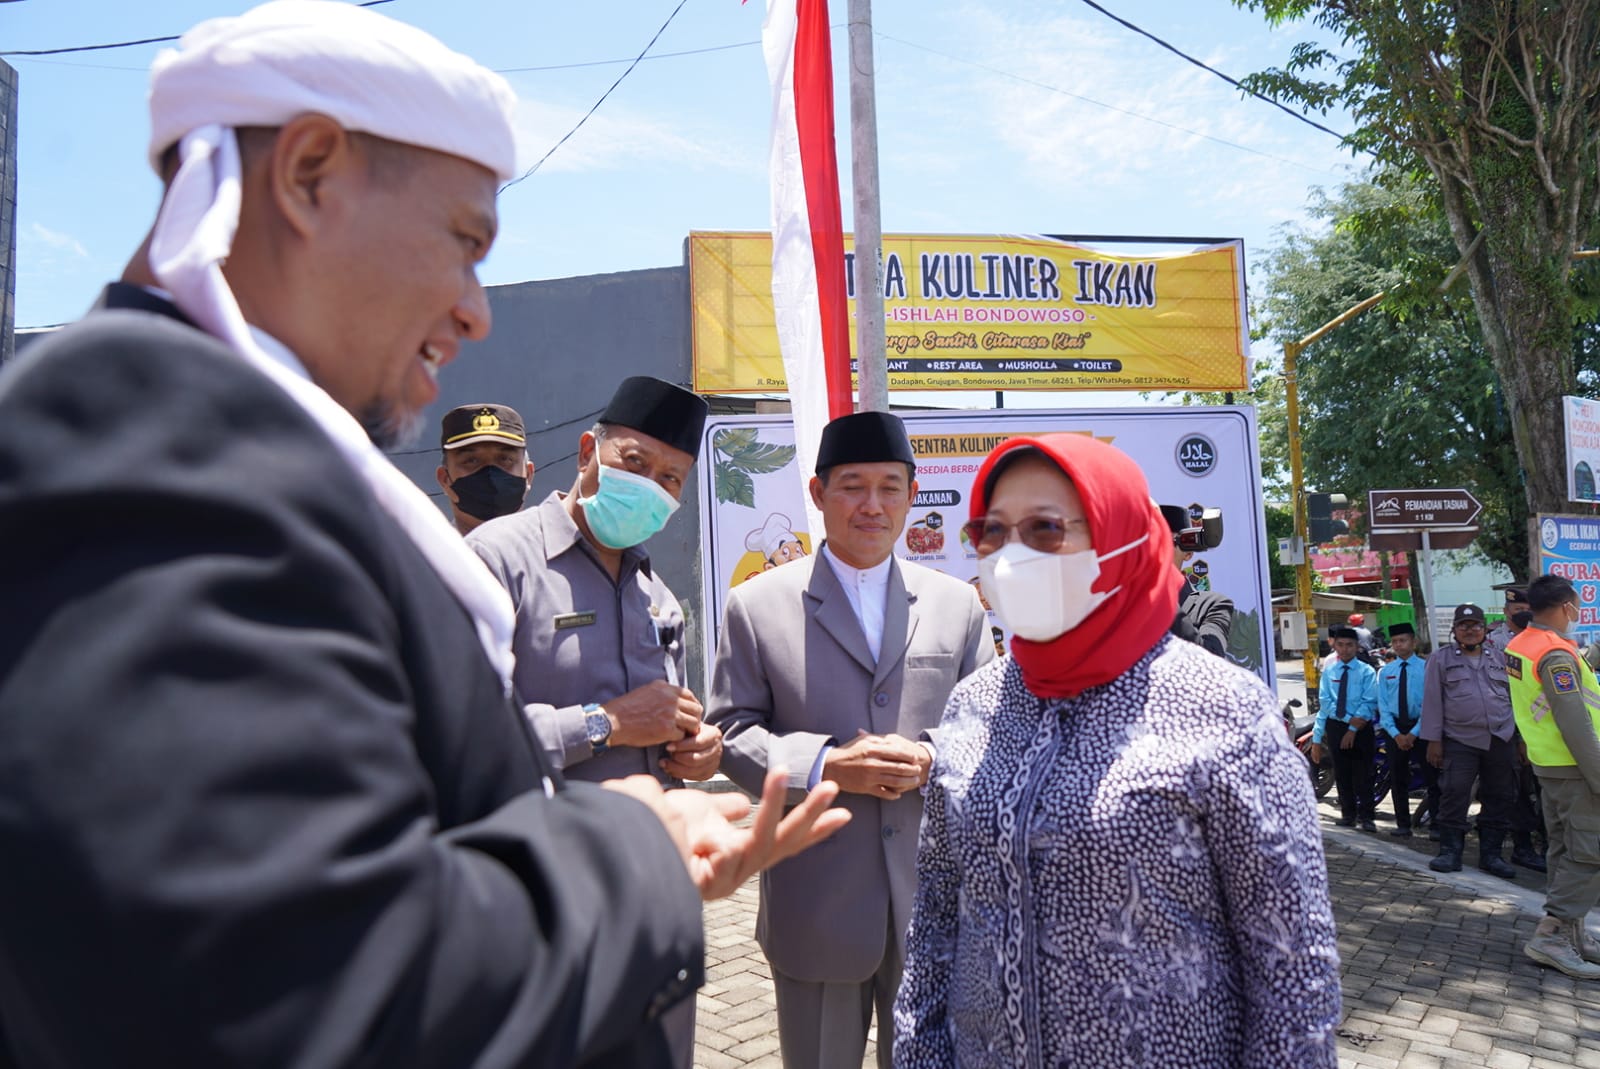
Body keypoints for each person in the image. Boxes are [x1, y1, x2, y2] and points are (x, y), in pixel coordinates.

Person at [0, 4, 849, 1065]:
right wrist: (634, 848)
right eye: (464, 243)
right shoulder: (151, 447)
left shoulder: (234, 455)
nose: (476, 310)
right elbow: (302, 985)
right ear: (310, 171)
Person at [893, 433, 1340, 1067]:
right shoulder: (974, 703)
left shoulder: (1225, 708)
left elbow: (1293, 969)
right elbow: (936, 925)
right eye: (992, 532)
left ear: (1120, 535)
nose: (1010, 555)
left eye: (1045, 529)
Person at [707, 410, 993, 1069]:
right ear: (818, 493)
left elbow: (988, 727)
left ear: (912, 495)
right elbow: (730, 730)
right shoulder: (758, 605)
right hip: (817, 893)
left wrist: (930, 756)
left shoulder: (957, 604)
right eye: (852, 486)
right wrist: (826, 764)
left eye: (890, 486)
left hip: (933, 897)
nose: (872, 504)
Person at [468, 376, 719, 1066]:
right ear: (589, 450)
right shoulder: (498, 559)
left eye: (671, 478)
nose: (653, 487)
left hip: (651, 900)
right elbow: (466, 738)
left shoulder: (654, 590)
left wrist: (696, 750)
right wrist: (603, 723)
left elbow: (666, 718)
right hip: (543, 903)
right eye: (636, 463)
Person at [1506, 575, 1600, 979]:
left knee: (1564, 850)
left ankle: (1576, 935)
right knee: (1589, 853)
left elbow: (1541, 701)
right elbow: (1574, 722)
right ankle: (1552, 935)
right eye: (1576, 607)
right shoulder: (1555, 654)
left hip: (1549, 764)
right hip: (1575, 767)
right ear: (1565, 608)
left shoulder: (1522, 644)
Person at [1419, 603, 1519, 878]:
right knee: (1455, 792)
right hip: (1460, 739)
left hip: (1501, 736)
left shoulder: (1501, 657)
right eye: (1464, 626)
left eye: (1475, 625)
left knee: (1500, 795)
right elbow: (1432, 702)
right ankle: (1450, 852)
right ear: (1454, 630)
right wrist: (1433, 740)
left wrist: (1519, 738)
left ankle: (1492, 855)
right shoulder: (1441, 659)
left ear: (1484, 628)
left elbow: (1516, 699)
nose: (1470, 630)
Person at [1311, 626, 1380, 832]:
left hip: (1361, 728)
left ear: (1357, 646)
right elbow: (1325, 701)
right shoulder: (1329, 671)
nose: (1345, 649)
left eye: (1349, 645)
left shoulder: (1367, 671)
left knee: (1364, 773)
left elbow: (1369, 702)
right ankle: (1348, 814)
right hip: (1336, 727)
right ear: (1334, 645)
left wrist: (1353, 728)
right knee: (1342, 772)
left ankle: (1367, 817)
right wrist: (1346, 722)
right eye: (1340, 645)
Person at [436, 402, 534, 533]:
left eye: (505, 459)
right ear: (444, 479)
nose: (490, 475)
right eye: (471, 461)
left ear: (528, 474)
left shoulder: (558, 551)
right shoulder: (422, 552)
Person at [1376, 622, 1434, 837]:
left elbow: (1431, 704)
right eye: (1395, 642)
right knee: (1397, 777)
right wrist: (1396, 734)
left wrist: (1413, 733)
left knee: (1431, 776)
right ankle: (1402, 824)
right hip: (1395, 730)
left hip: (1421, 726)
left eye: (1403, 640)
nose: (1399, 645)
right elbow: (1383, 704)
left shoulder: (1426, 667)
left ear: (1413, 642)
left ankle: (1436, 825)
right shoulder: (1386, 671)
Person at [1160, 503, 1234, 657]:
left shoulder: (1212, 604)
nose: (1156, 550)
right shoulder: (1123, 600)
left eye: (1164, 541)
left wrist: (1160, 597)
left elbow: (1212, 655)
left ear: (1188, 553)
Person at [1488, 586, 1531, 652]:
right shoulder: (1493, 640)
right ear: (1506, 611)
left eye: (1529, 610)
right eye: (1518, 609)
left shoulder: (1538, 637)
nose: (1525, 613)